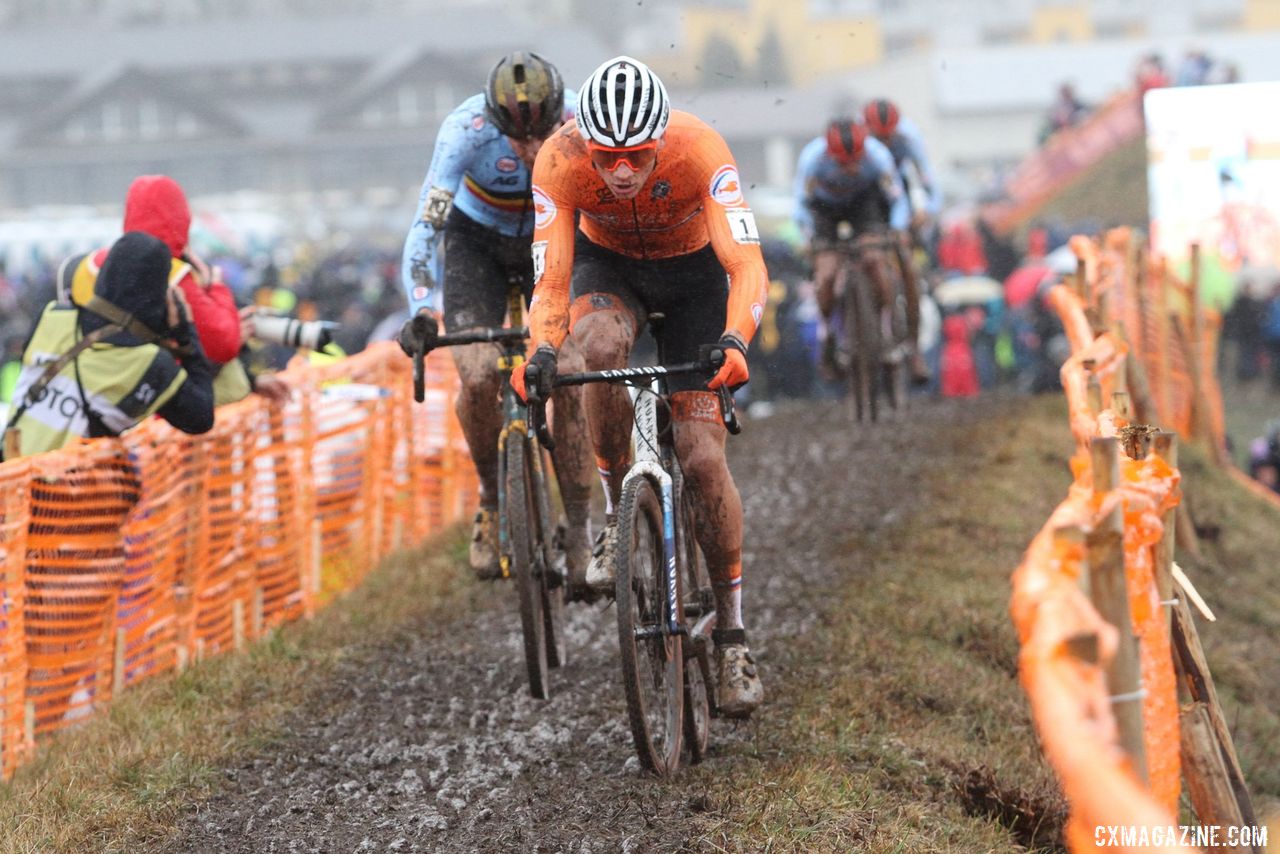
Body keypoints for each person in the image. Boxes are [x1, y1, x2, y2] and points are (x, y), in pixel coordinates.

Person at [510, 55, 766, 717]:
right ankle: (610, 514)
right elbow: (553, 283)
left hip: (694, 282)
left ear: (661, 142)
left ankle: (734, 633)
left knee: (704, 458)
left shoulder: (701, 148)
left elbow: (744, 264)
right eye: (608, 158)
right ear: (584, 142)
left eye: (639, 158)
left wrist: (737, 339)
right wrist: (542, 348)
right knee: (597, 350)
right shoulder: (560, 160)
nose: (622, 172)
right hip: (608, 269)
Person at [397, 51, 594, 584]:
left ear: (560, 114)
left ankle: (579, 528)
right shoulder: (464, 130)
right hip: (475, 242)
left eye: (543, 135)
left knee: (571, 373)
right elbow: (425, 228)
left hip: (547, 239)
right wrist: (420, 310)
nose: (532, 150)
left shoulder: (583, 120)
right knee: (478, 373)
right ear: (494, 121)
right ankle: (490, 497)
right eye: (518, 138)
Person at [57, 175, 289, 406]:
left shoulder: (80, 267)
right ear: (180, 218)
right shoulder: (173, 273)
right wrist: (214, 287)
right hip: (151, 406)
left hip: (81, 399)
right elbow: (222, 344)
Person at [2, 231, 214, 459]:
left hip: (10, 479)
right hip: (69, 491)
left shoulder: (51, 316)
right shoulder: (148, 363)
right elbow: (200, 418)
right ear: (157, 296)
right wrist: (185, 334)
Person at [793, 118, 929, 382]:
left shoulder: (878, 156)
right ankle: (829, 335)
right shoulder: (813, 158)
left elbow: (896, 199)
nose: (851, 167)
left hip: (864, 208)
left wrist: (898, 228)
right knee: (827, 274)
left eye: (856, 160)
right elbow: (800, 205)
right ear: (830, 154)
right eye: (843, 163)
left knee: (875, 259)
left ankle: (888, 329)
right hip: (825, 212)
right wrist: (807, 236)